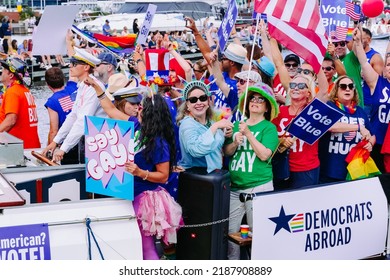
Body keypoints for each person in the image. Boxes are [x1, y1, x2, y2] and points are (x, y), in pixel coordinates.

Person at [223, 83, 279, 260]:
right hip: (235, 190)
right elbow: (227, 152)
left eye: (260, 99)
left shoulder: (269, 128)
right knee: (232, 234)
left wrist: (248, 134)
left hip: (258, 188)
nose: (255, 102)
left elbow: (264, 155)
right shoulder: (237, 124)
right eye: (252, 98)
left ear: (267, 106)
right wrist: (234, 142)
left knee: (259, 234)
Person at [42, 47, 106, 164]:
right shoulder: (83, 86)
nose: (70, 66)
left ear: (86, 67)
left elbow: (83, 120)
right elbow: (73, 115)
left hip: (99, 141)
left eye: (74, 64)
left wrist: (63, 148)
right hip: (89, 140)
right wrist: (55, 142)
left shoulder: (93, 87)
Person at [319, 75, 374, 183]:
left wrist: (370, 143)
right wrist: (358, 127)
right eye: (343, 86)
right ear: (336, 90)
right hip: (331, 170)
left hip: (354, 170)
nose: (347, 89)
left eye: (350, 86)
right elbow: (330, 126)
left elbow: (372, 135)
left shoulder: (360, 111)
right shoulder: (329, 106)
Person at [272, 74, 320, 189]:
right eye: (293, 85)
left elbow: (333, 125)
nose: (296, 88)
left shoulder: (313, 113)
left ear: (308, 92)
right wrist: (281, 140)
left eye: (301, 85)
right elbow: (269, 136)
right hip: (281, 168)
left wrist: (358, 127)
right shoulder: (279, 112)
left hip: (305, 170)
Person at [176, 80, 233, 173]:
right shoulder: (187, 124)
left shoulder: (210, 121)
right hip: (197, 177)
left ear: (208, 101)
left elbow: (217, 147)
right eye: (193, 100)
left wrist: (227, 135)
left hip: (214, 176)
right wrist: (215, 127)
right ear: (187, 105)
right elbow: (196, 150)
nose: (199, 102)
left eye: (202, 98)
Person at [353, 26, 388, 173]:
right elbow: (364, 62)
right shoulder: (378, 82)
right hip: (377, 139)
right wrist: (358, 42)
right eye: (389, 64)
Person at [0, 58, 40, 149]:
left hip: (18, 150)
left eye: (4, 69)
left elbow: (10, 120)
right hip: (32, 147)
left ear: (10, 75)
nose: (2, 71)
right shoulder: (25, 91)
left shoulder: (13, 92)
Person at [44, 67, 78, 144]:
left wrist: (49, 150)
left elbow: (53, 131)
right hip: (80, 136)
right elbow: (73, 76)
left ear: (47, 84)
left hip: (66, 141)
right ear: (63, 79)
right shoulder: (73, 87)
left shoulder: (52, 102)